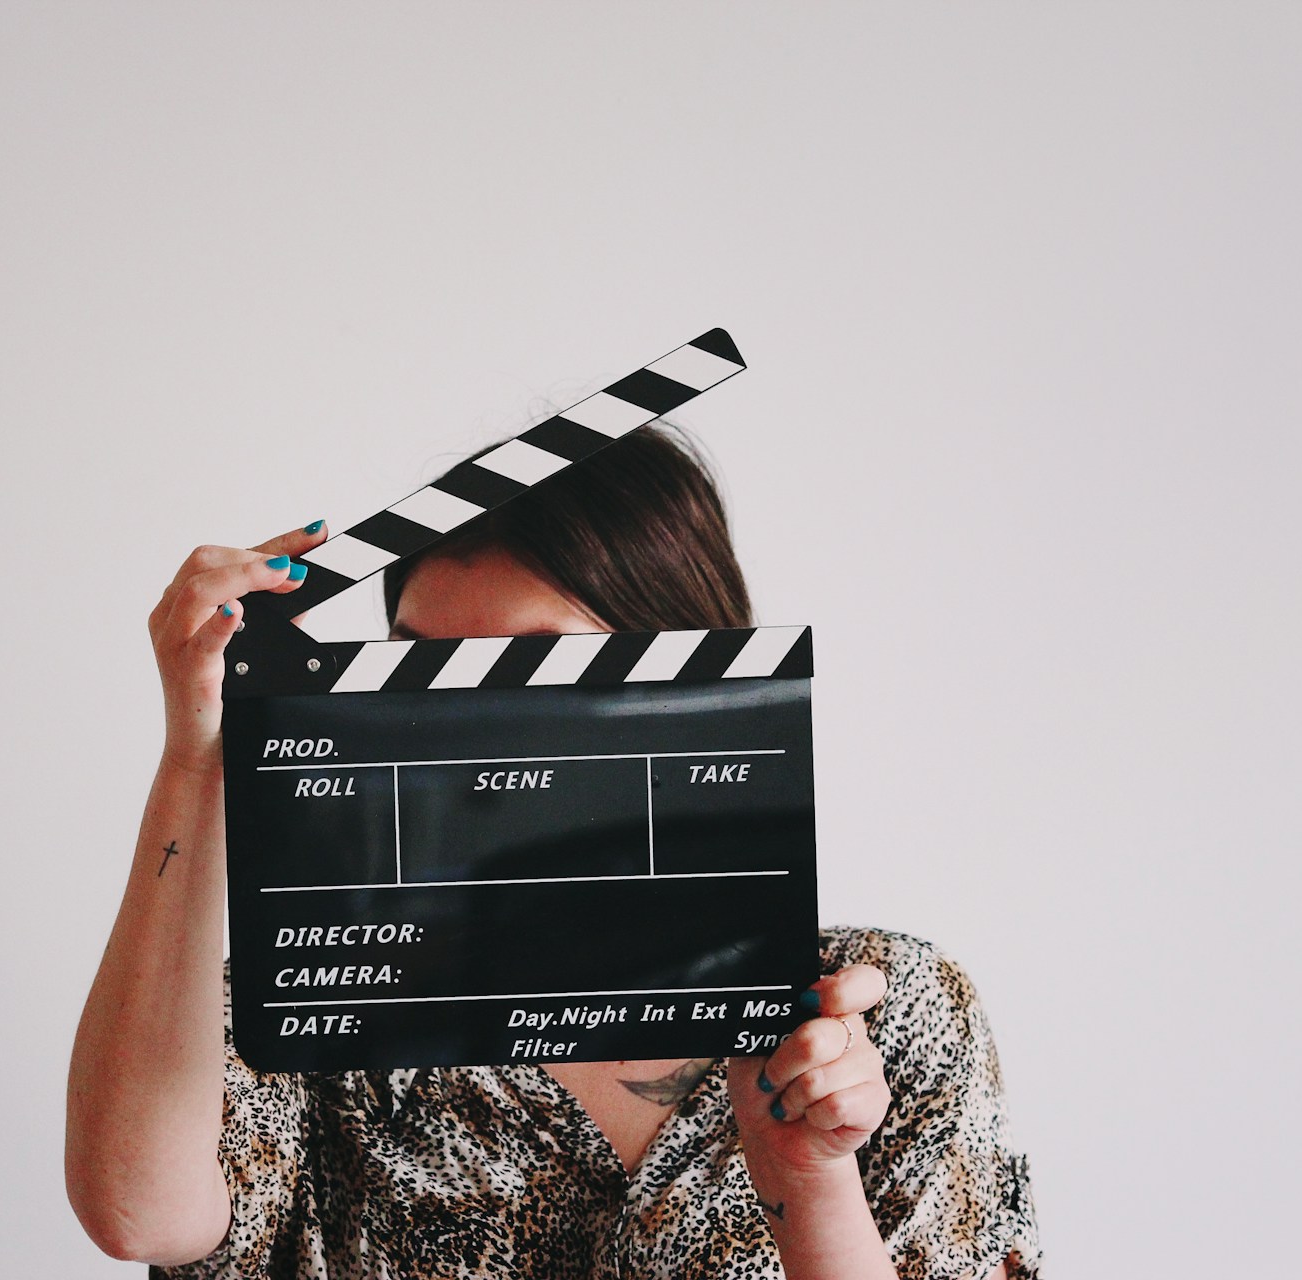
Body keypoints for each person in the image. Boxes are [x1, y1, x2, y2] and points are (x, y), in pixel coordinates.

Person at [66, 423, 1042, 1279]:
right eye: (418, 667)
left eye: (532, 665)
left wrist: (810, 1181)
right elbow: (137, 1209)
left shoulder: (874, 1012)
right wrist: (201, 755)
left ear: (685, 678)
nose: (459, 732)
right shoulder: (324, 994)